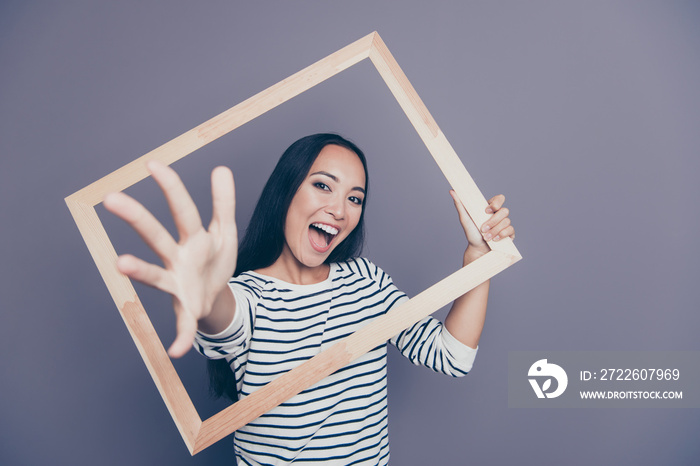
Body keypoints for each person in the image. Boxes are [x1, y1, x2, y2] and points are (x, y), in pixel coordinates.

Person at [104, 133, 514, 465]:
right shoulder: (250, 295)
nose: (339, 209)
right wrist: (208, 295)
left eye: (354, 198)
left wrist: (479, 258)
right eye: (322, 186)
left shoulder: (365, 281)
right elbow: (224, 321)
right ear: (286, 193)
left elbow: (452, 356)